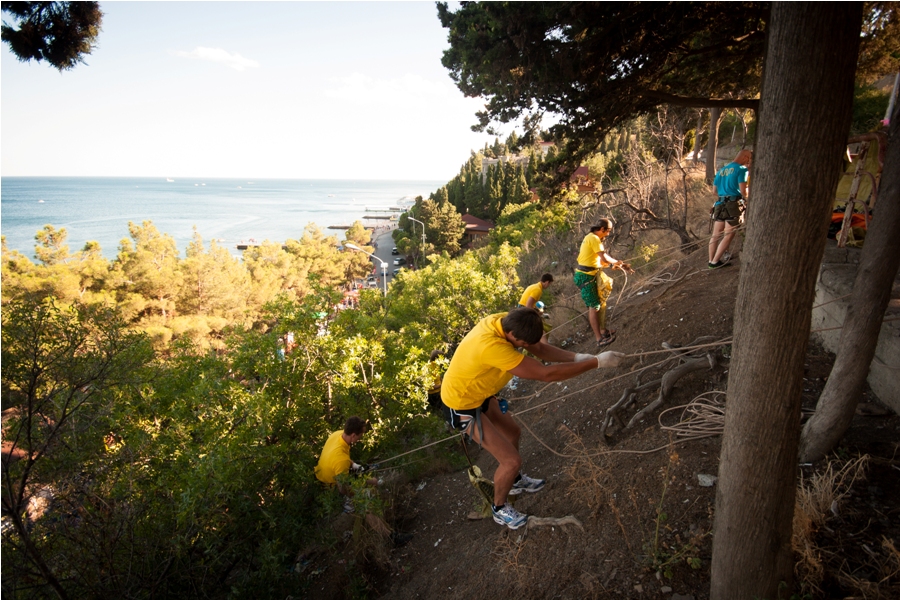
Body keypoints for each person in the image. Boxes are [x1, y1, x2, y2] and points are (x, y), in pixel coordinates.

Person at [440, 307, 624, 529]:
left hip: (480, 392)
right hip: (462, 404)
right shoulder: (491, 346)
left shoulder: (504, 322)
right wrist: (596, 363)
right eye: (522, 345)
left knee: (513, 432)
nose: (526, 348)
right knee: (511, 461)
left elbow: (537, 347)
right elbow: (545, 374)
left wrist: (577, 357)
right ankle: (499, 508)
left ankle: (514, 481)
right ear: (513, 337)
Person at [573, 220, 633, 348]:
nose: (607, 234)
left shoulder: (591, 238)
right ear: (602, 229)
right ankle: (599, 339)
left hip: (591, 274)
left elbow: (601, 259)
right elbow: (604, 258)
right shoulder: (594, 238)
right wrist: (614, 264)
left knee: (600, 302)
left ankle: (603, 331)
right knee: (593, 306)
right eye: (608, 231)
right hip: (585, 277)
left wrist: (619, 263)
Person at [314, 416, 377, 510]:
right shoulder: (341, 461)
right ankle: (348, 504)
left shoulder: (338, 434)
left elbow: (343, 458)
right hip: (328, 484)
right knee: (371, 489)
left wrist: (354, 465)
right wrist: (361, 493)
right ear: (353, 435)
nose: (361, 437)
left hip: (323, 472)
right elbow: (343, 488)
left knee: (368, 480)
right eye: (360, 435)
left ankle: (373, 482)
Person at [709, 149, 752, 269]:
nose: (748, 162)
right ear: (745, 157)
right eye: (749, 159)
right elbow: (743, 191)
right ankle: (715, 262)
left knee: (715, 235)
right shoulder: (741, 169)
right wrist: (748, 195)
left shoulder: (721, 170)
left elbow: (714, 191)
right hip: (732, 204)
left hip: (719, 203)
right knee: (729, 234)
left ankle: (710, 260)